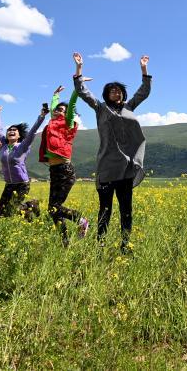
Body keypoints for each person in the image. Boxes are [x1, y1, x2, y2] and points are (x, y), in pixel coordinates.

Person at [73, 51, 151, 252]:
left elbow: (143, 92)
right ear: (106, 95)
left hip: (126, 169)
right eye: (112, 91)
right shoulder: (101, 109)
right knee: (105, 209)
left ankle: (126, 244)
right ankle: (100, 244)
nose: (116, 93)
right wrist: (79, 69)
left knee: (126, 210)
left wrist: (144, 70)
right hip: (107, 168)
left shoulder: (129, 107)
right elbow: (83, 92)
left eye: (119, 91)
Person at [39, 84, 90, 246]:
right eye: (57, 110)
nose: (57, 111)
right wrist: (55, 95)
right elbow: (54, 108)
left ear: (67, 114)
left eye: (62, 110)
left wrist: (77, 87)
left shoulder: (67, 122)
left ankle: (81, 220)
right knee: (52, 209)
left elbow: (72, 104)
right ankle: (65, 242)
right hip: (54, 170)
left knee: (55, 206)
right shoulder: (52, 123)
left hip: (64, 170)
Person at [0, 104, 46, 220]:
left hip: (22, 184)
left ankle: (31, 205)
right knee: (0, 212)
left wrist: (41, 117)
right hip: (9, 184)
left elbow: (32, 132)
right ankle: (29, 214)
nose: (11, 131)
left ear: (19, 135)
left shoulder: (22, 146)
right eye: (9, 130)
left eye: (14, 130)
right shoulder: (4, 146)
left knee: (12, 209)